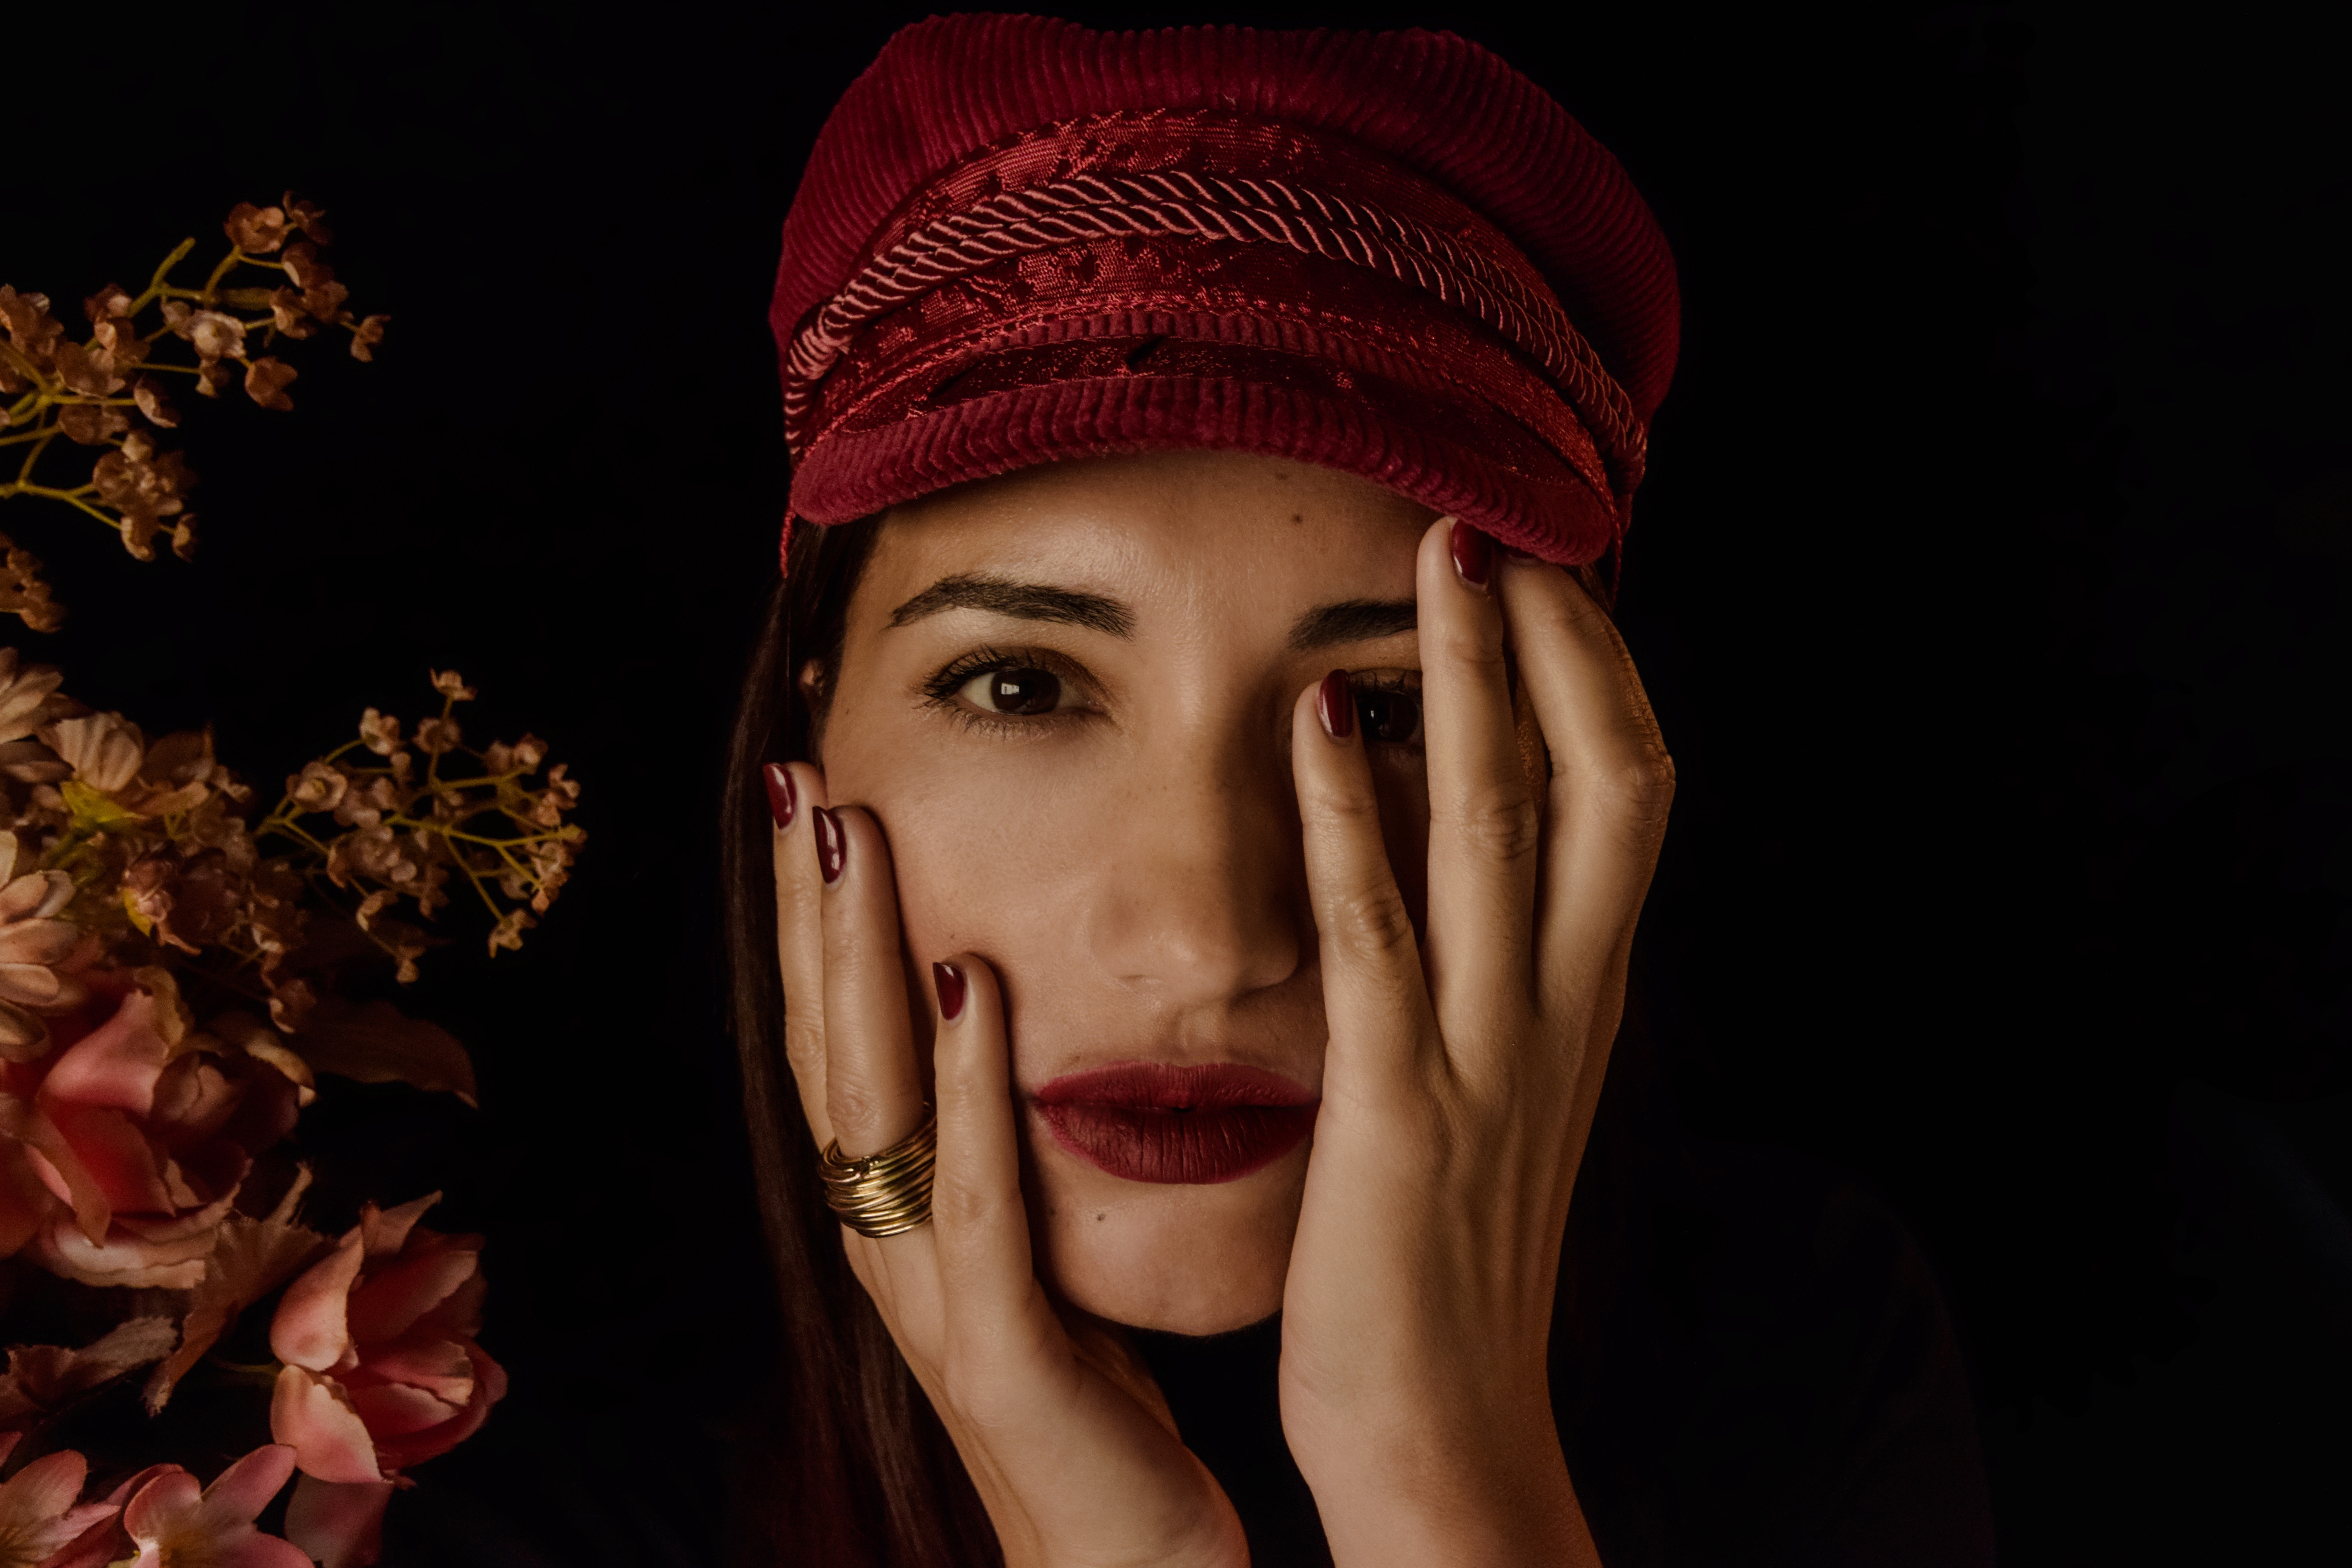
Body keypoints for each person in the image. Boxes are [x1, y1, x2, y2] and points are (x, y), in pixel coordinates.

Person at [721, 16, 1997, 1565]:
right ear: (813, 729)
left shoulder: (1808, 1355)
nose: (1210, 940)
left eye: (1385, 709)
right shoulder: (515, 1475)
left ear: (1572, 777)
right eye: (1023, 687)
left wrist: (1441, 1477)